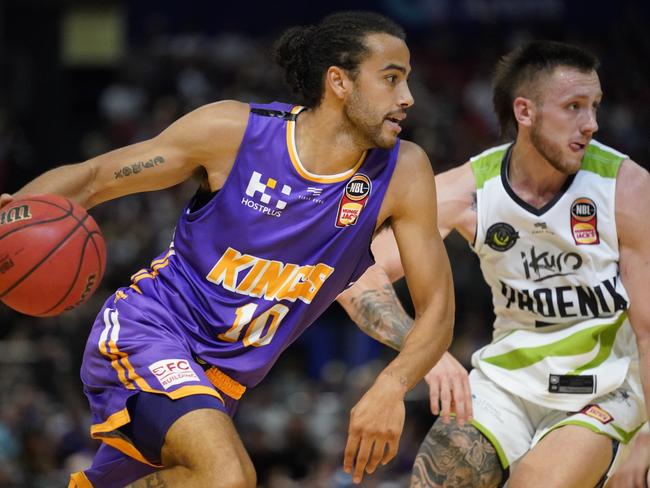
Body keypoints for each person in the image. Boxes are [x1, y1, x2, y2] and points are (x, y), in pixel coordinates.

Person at [0, 11, 456, 488]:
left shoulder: (403, 172)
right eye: (391, 78)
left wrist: (391, 384)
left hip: (222, 385)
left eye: (407, 80)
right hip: (150, 331)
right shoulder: (234, 133)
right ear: (339, 82)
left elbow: (439, 311)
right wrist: (14, 220)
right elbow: (92, 179)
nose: (408, 98)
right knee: (228, 476)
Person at [339, 40, 650, 487]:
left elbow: (647, 327)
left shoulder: (626, 184)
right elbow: (353, 276)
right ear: (525, 112)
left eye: (595, 106)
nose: (592, 124)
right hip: (507, 385)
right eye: (575, 107)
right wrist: (423, 352)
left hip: (605, 386)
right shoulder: (466, 190)